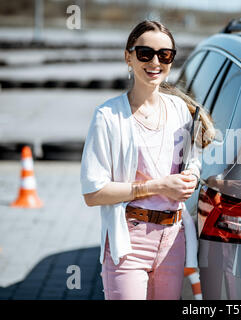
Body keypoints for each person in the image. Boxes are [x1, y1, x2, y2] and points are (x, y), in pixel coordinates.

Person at [80, 20, 214, 300]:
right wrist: (159, 186)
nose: (155, 61)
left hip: (173, 240)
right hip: (128, 241)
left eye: (165, 55)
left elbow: (192, 160)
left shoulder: (181, 110)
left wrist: (190, 176)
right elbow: (93, 193)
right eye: (145, 53)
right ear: (128, 57)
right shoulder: (108, 116)